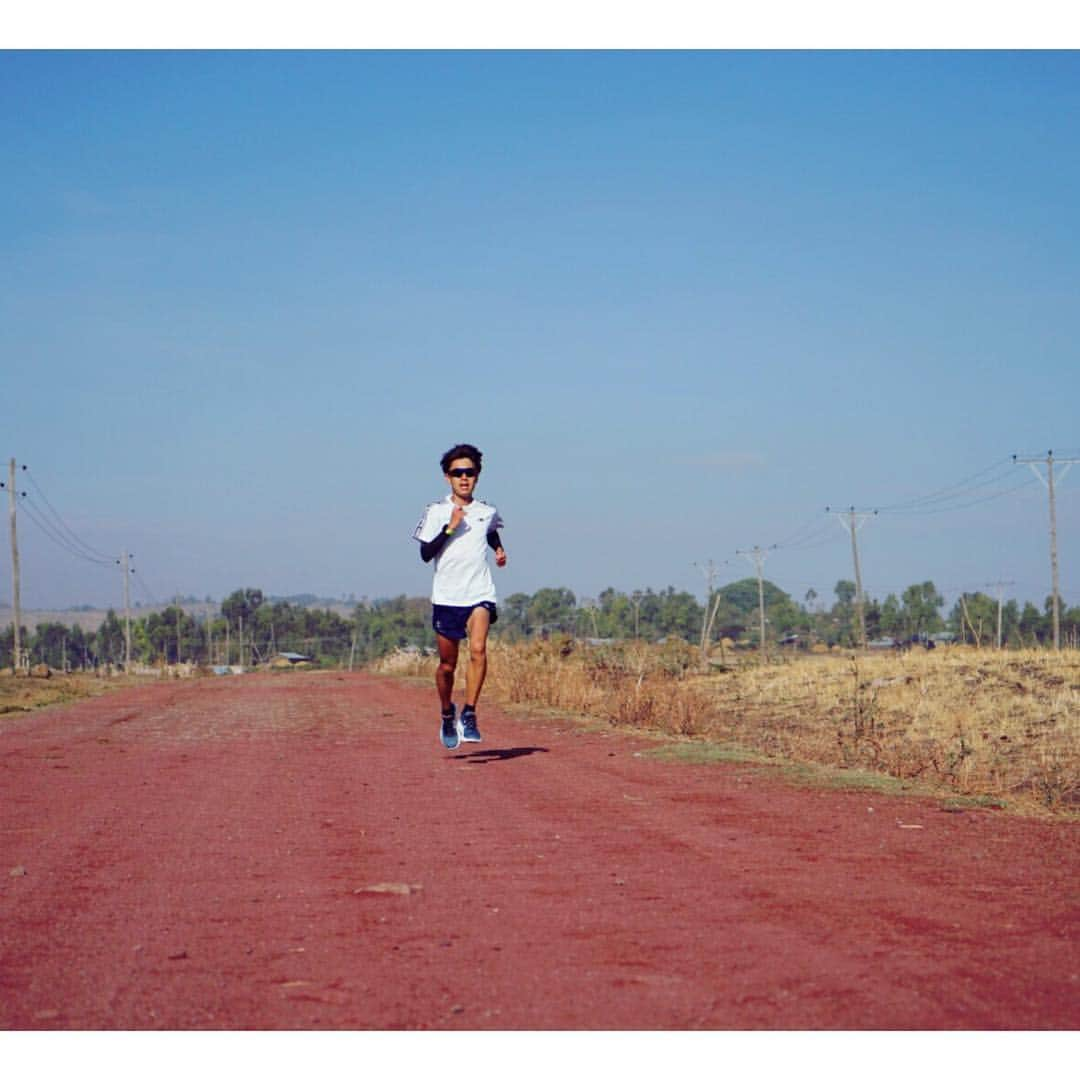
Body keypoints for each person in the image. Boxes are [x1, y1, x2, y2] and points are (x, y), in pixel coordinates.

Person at [412, 443, 507, 749]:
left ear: (478, 476)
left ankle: (469, 713)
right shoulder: (436, 511)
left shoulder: (486, 511)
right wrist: (450, 529)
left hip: (479, 592)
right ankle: (446, 712)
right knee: (447, 666)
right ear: (447, 477)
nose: (464, 478)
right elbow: (426, 553)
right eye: (458, 473)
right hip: (447, 597)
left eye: (470, 472)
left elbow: (489, 530)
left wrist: (499, 549)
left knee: (478, 649)